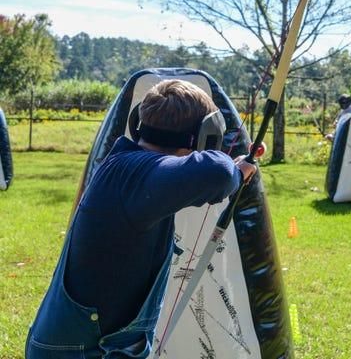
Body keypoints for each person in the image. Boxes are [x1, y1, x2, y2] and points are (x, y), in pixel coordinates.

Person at [26, 79, 257, 358]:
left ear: (139, 122)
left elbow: (196, 175)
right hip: (83, 350)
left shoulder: (128, 165)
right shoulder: (140, 175)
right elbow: (218, 174)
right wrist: (235, 172)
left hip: (86, 343)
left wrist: (235, 168)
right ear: (205, 134)